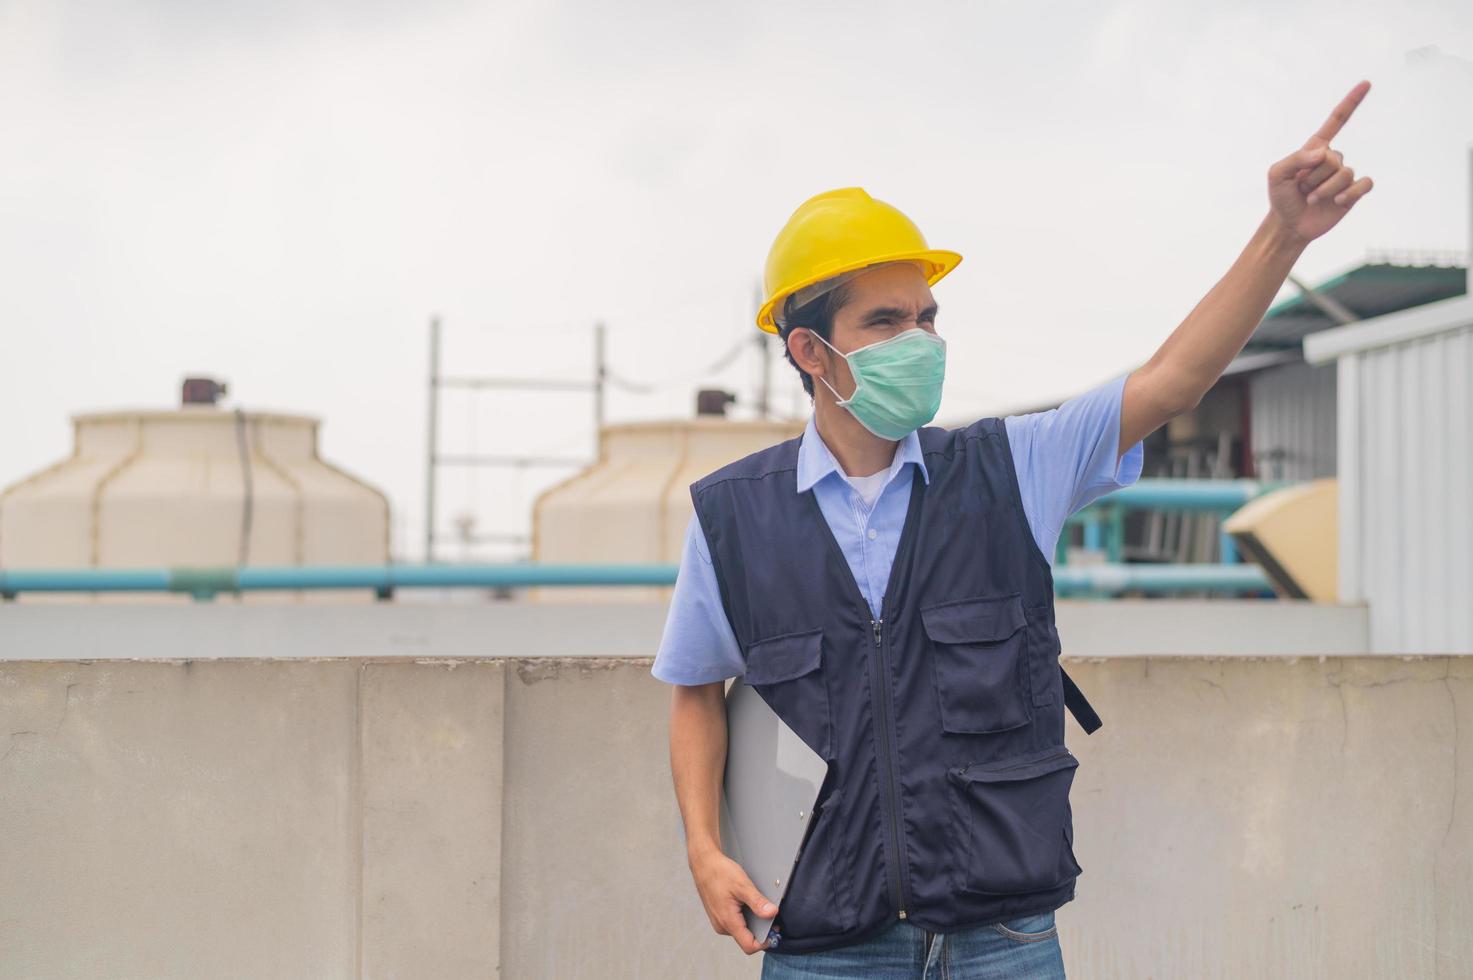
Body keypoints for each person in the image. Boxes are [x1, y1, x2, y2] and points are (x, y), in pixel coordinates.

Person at [653, 81, 1374, 979]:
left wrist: (1282, 236)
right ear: (808, 350)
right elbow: (695, 689)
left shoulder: (1012, 469)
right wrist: (702, 848)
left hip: (1004, 939)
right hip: (824, 944)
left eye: (926, 317)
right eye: (885, 321)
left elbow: (1173, 381)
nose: (919, 338)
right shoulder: (734, 515)